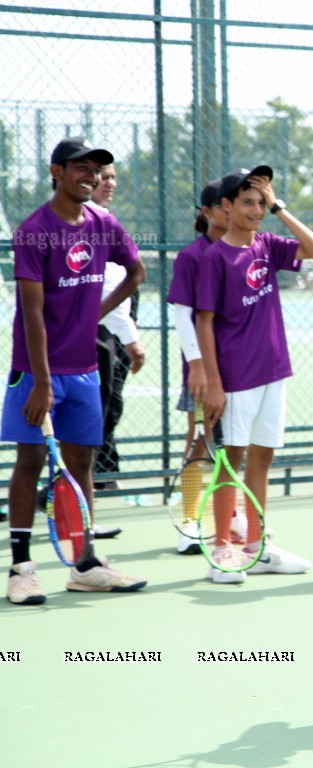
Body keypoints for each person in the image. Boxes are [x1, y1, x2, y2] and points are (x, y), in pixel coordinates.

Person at [4, 136, 149, 605]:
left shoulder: (103, 224)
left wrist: (93, 316)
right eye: (80, 168)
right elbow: (32, 311)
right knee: (30, 463)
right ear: (56, 172)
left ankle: (84, 563)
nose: (90, 175)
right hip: (36, 371)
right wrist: (42, 382)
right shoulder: (34, 231)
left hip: (85, 369)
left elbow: (136, 272)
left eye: (96, 169)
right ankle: (21, 568)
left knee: (82, 463)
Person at [195, 166, 313, 583]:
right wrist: (214, 384)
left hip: (274, 373)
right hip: (235, 379)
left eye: (260, 202)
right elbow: (204, 323)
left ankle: (256, 544)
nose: (256, 210)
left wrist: (279, 207)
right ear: (226, 207)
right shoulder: (215, 258)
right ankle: (222, 549)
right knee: (230, 461)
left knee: (262, 458)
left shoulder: (268, 245)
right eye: (247, 202)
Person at [166, 178, 227, 554]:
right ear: (207, 212)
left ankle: (231, 518)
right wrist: (198, 367)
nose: (232, 209)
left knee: (238, 448)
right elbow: (182, 316)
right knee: (201, 441)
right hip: (205, 370)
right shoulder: (193, 256)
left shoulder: (246, 249)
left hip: (243, 368)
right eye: (225, 204)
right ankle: (190, 520)